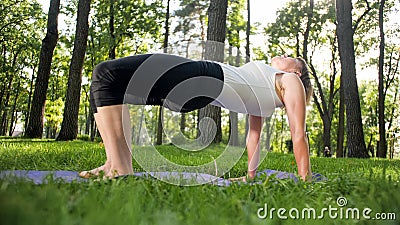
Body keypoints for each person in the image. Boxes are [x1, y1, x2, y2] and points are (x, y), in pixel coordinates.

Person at [79, 53, 313, 181]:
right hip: (198, 88)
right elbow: (253, 139)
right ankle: (114, 164)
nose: (282, 54)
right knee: (109, 83)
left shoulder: (290, 80)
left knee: (106, 73)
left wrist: (305, 178)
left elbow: (298, 134)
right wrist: (250, 176)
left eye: (289, 56)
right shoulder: (267, 90)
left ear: (296, 71)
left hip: (203, 77)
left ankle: (120, 167)